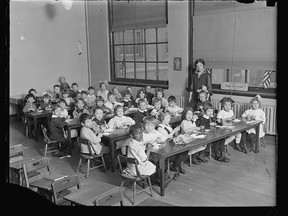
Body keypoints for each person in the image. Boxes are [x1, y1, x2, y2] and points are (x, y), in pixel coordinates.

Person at [157, 112, 186, 180]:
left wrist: (176, 132)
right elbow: (165, 138)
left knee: (185, 149)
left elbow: (172, 135)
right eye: (167, 118)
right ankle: (174, 167)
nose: (169, 120)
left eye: (169, 118)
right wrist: (173, 131)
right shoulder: (160, 128)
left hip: (171, 143)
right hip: (165, 146)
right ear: (162, 119)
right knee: (181, 153)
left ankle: (178, 164)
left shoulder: (168, 126)